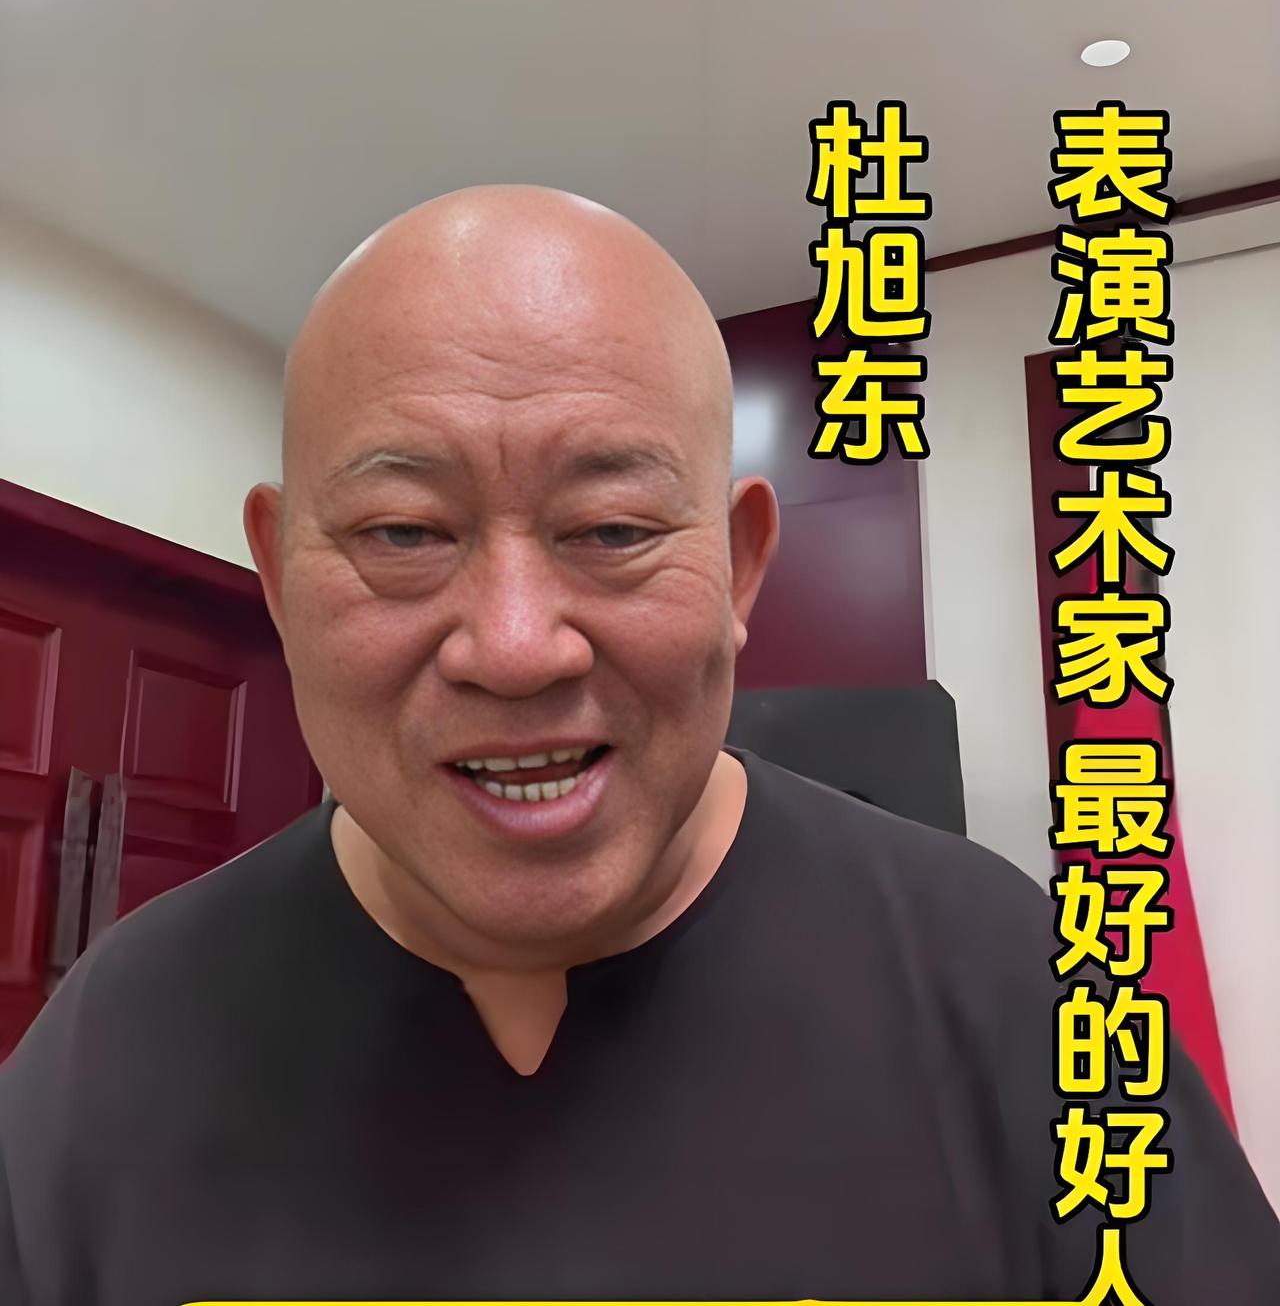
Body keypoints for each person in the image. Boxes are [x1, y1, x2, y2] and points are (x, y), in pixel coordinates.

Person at [0, 185, 1276, 1306]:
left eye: (610, 529)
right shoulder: (113, 1046)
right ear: (279, 576)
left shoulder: (1018, 992)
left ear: (739, 565)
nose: (514, 646)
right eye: (403, 533)